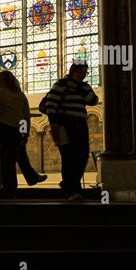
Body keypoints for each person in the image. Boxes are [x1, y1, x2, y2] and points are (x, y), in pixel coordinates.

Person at [45, 61, 98, 200]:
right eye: (81, 71)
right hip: (65, 125)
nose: (83, 74)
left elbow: (93, 100)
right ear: (74, 70)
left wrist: (80, 87)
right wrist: (54, 124)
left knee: (82, 155)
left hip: (80, 124)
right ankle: (72, 190)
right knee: (69, 157)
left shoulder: (84, 86)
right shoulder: (61, 84)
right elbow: (51, 104)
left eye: (85, 72)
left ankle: (69, 183)